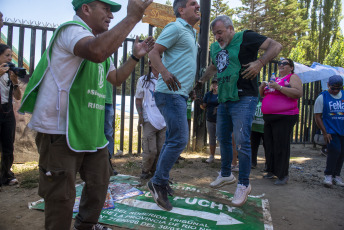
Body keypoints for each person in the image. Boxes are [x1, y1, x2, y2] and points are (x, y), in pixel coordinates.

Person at [18, 0, 154, 229]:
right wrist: (132, 18)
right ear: (86, 8)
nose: (111, 15)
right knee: (60, 197)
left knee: (100, 183)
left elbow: (116, 79)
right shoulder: (71, 31)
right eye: (106, 9)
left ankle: (87, 225)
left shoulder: (98, 45)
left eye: (113, 11)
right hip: (60, 131)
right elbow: (96, 52)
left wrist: (135, 57)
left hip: (90, 131)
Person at [196, 15, 282, 206]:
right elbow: (213, 66)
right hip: (224, 98)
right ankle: (226, 174)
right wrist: (201, 81)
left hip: (245, 98)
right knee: (223, 139)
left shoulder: (245, 37)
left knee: (242, 140)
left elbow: (276, 46)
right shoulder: (216, 47)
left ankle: (243, 184)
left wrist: (260, 62)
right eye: (214, 34)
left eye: (220, 32)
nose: (217, 37)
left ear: (230, 28)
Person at [147, 0, 200, 211]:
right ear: (181, 9)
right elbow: (153, 53)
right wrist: (165, 73)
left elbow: (182, 62)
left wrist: (188, 88)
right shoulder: (176, 27)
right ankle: (158, 182)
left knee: (172, 139)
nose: (198, 6)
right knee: (179, 139)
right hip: (170, 93)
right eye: (192, 3)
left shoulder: (190, 32)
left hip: (179, 93)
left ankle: (161, 179)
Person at [259, 58, 303, 185]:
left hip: (284, 116)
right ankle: (271, 170)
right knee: (269, 144)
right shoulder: (276, 79)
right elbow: (262, 95)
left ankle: (283, 175)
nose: (281, 65)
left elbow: (298, 93)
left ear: (291, 67)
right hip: (269, 117)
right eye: (279, 64)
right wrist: (262, 87)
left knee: (281, 145)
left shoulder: (292, 77)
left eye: (285, 64)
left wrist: (279, 87)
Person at [135, 60, 166, 179]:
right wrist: (141, 115)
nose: (158, 62)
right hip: (149, 119)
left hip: (164, 119)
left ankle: (155, 172)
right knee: (150, 150)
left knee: (161, 149)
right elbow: (138, 99)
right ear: (150, 63)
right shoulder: (143, 80)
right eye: (155, 60)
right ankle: (145, 171)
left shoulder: (165, 78)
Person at [314, 75, 344, 188]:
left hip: (342, 129)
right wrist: (325, 132)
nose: (335, 91)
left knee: (342, 153)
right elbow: (318, 117)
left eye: (338, 88)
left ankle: (337, 175)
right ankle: (328, 174)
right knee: (334, 151)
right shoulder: (322, 97)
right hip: (331, 130)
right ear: (328, 85)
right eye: (333, 88)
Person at [0, 44, 22, 187]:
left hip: (7, 111)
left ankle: (6, 174)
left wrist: (15, 82)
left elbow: (18, 97)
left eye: (11, 55)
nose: (10, 58)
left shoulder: (9, 73)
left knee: (8, 145)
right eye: (7, 55)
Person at [200, 77, 219, 163]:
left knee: (222, 138)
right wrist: (202, 104)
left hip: (220, 120)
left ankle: (225, 157)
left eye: (217, 83)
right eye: (214, 83)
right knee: (211, 138)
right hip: (210, 118)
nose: (215, 85)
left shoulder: (222, 94)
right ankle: (212, 156)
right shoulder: (208, 94)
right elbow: (203, 105)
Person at [251, 87, 266, 169]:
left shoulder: (268, 98)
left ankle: (268, 164)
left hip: (265, 128)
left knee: (267, 146)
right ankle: (253, 162)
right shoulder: (255, 99)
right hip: (254, 127)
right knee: (253, 146)